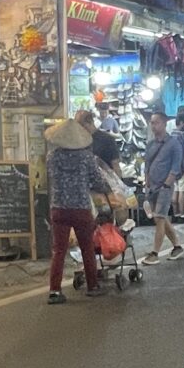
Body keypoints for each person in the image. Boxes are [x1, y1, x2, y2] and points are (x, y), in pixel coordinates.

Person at [45, 109, 112, 303]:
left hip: (58, 208)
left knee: (59, 250)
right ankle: (92, 286)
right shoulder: (86, 157)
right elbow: (98, 182)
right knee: (87, 248)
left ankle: (55, 291)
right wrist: (107, 188)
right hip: (81, 208)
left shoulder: (52, 157)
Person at [140, 111, 184, 264]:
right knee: (161, 217)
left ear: (164, 124)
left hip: (165, 187)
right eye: (152, 123)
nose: (153, 126)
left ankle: (155, 253)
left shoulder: (174, 143)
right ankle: (177, 246)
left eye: (156, 122)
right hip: (152, 186)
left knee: (159, 218)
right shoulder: (151, 144)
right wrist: (146, 181)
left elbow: (175, 166)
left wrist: (167, 183)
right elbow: (147, 165)